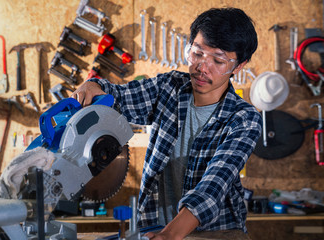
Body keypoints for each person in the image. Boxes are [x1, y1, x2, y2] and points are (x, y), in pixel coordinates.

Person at [72, 7, 262, 240]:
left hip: (215, 231)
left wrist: (170, 235)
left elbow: (212, 188)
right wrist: (94, 87)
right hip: (154, 226)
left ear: (238, 66)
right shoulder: (169, 87)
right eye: (198, 53)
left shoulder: (244, 119)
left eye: (218, 60)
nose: (203, 67)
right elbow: (119, 98)